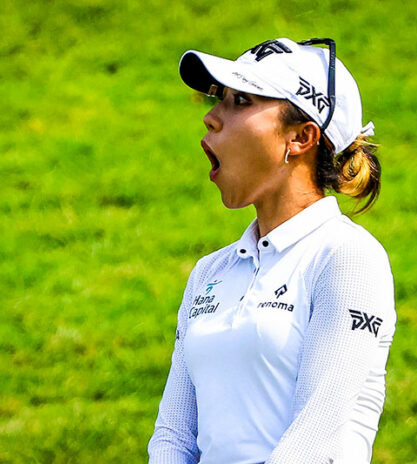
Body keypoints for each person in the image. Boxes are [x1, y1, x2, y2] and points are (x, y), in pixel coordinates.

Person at [147, 38, 396, 464]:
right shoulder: (210, 273)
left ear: (301, 137)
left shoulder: (349, 256)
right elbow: (173, 436)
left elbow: (316, 437)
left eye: (240, 100)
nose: (210, 118)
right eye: (218, 100)